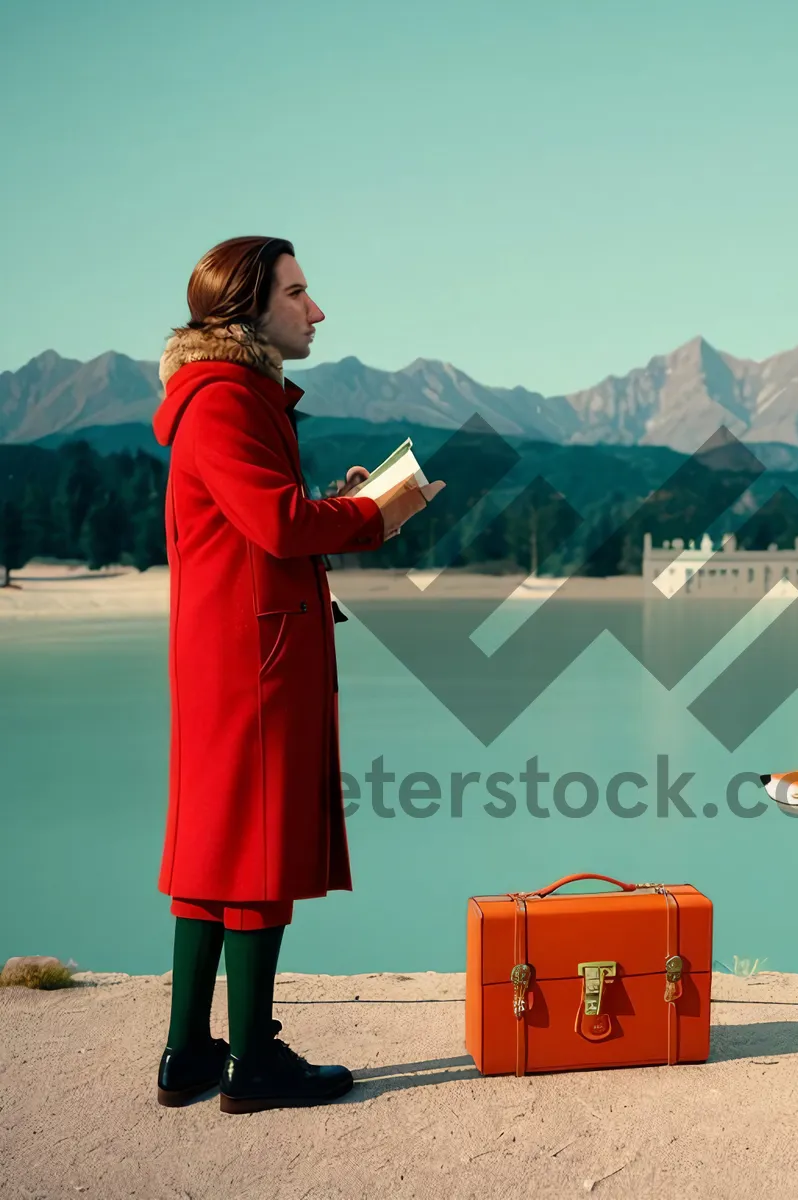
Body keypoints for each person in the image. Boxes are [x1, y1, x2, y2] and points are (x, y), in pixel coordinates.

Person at [150, 235, 445, 1114]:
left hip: (233, 648)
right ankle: (250, 1063)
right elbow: (279, 528)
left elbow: (259, 519)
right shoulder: (226, 400)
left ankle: (189, 1054)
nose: (316, 310)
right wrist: (373, 514)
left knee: (214, 842)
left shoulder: (229, 397)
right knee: (257, 850)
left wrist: (339, 500)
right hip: (255, 659)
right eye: (298, 293)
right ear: (248, 309)